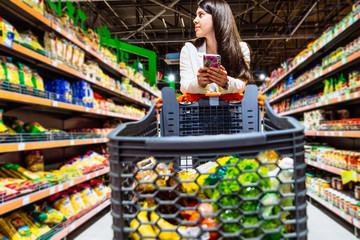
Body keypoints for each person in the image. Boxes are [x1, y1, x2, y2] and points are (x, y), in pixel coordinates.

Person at [180, 0, 253, 94]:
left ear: (217, 17)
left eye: (201, 14)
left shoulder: (241, 49)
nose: (195, 20)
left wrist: (226, 82)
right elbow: (184, 86)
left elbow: (242, 84)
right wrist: (198, 83)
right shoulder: (189, 49)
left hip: (230, 108)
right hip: (198, 108)